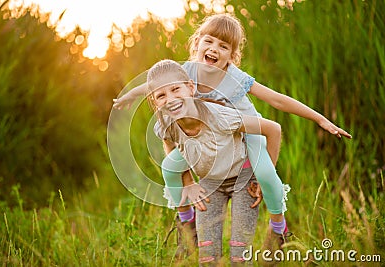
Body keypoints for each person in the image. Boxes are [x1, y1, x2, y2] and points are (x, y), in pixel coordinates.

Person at [113, 13, 352, 252]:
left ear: (232, 55)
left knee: (267, 174)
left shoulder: (236, 78)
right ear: (197, 43)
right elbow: (156, 85)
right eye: (209, 41)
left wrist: (320, 119)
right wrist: (130, 95)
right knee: (169, 168)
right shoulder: (187, 72)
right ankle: (186, 223)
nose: (214, 49)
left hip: (246, 132)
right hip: (211, 137)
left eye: (223, 46)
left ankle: (279, 228)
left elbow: (277, 100)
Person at [147, 59, 282, 265]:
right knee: (208, 257)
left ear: (190, 88)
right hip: (209, 185)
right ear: (154, 102)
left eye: (176, 89)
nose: (170, 99)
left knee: (239, 256)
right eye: (161, 96)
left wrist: (265, 177)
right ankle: (186, 224)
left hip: (242, 181)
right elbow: (171, 146)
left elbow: (273, 129)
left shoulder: (219, 117)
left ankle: (280, 231)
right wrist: (189, 182)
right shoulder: (165, 124)